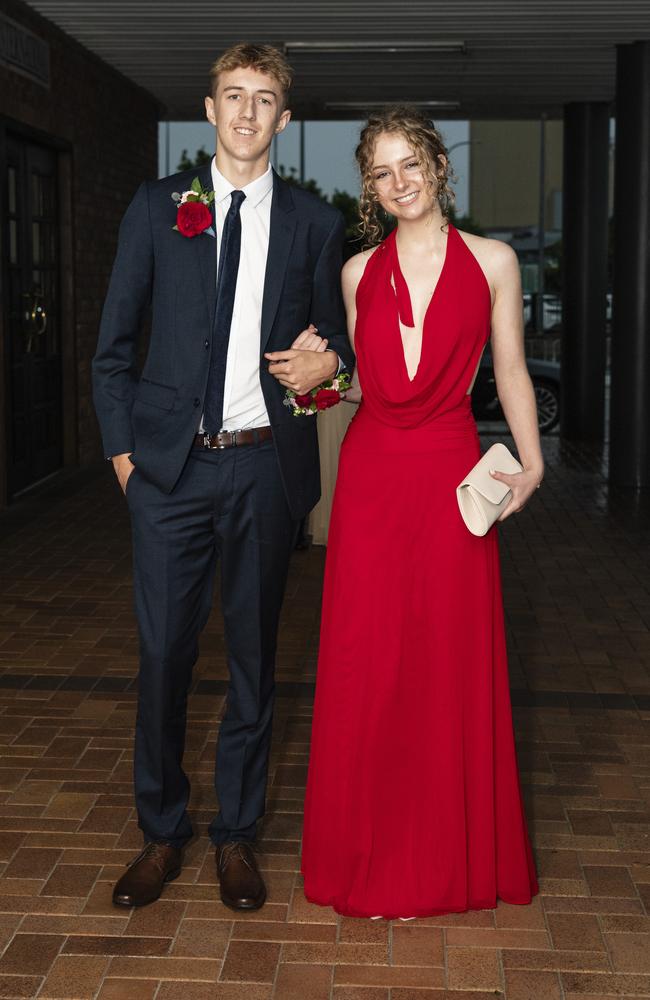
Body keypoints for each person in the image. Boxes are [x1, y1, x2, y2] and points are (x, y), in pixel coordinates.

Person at [92, 42, 354, 912]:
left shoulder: (316, 223)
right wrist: (128, 461)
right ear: (210, 110)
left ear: (285, 117)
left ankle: (235, 836)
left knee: (253, 662)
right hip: (167, 476)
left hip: (262, 474)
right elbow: (113, 352)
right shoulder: (159, 207)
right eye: (233, 96)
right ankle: (162, 832)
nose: (247, 112)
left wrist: (333, 373)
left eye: (265, 98)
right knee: (164, 656)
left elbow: (339, 353)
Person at [301, 106, 542, 919]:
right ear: (368, 187)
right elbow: (358, 386)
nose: (398, 181)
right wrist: (313, 385)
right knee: (370, 664)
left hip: (447, 474)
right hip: (372, 478)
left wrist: (532, 459)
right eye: (380, 171)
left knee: (444, 662)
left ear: (439, 165)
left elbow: (509, 370)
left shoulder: (497, 260)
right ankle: (366, 853)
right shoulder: (355, 272)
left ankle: (443, 860)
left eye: (411, 164)